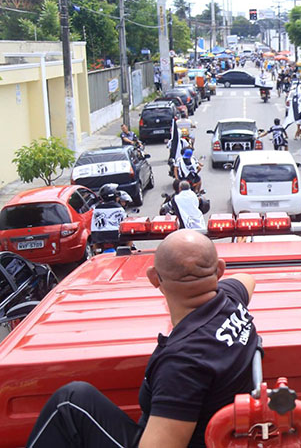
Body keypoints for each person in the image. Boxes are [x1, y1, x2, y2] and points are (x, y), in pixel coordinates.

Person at [25, 230, 257, 448]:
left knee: (70, 402)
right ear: (219, 270)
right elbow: (247, 279)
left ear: (153, 278)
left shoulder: (183, 362)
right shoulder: (230, 301)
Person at [90, 183, 127, 252]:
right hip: (117, 236)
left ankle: (97, 256)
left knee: (95, 247)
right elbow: (126, 224)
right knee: (129, 238)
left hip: (99, 237)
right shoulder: (120, 209)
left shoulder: (96, 209)